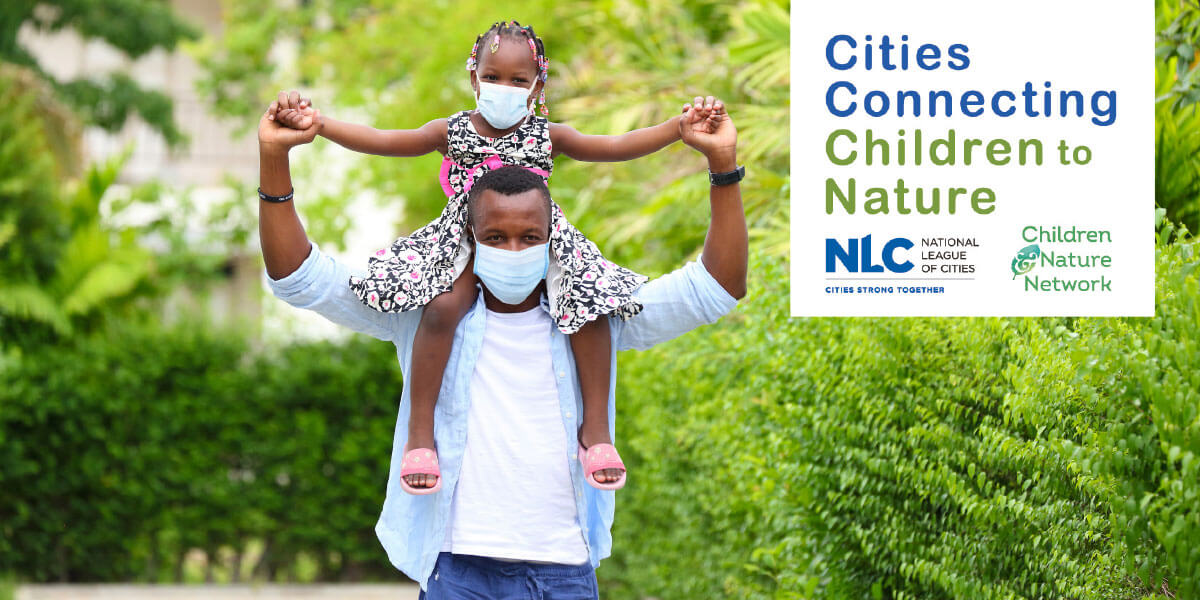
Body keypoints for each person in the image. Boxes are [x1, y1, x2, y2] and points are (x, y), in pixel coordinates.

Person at [256, 93, 746, 596]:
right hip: (456, 569)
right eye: (495, 238)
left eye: (529, 238)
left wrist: (723, 167)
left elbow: (713, 289)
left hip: (563, 571)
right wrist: (274, 160)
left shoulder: (593, 315)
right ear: (470, 237)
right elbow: (301, 277)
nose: (513, 250)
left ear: (553, 237)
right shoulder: (424, 313)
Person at [267, 21, 691, 494]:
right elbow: (385, 140)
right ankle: (420, 436)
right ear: (474, 77)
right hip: (465, 238)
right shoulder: (452, 131)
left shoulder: (549, 134)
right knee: (443, 307)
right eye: (493, 76)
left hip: (535, 238)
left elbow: (613, 147)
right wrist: (320, 126)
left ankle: (596, 434)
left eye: (517, 80)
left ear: (537, 86)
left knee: (588, 307)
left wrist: (677, 129)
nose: (503, 88)